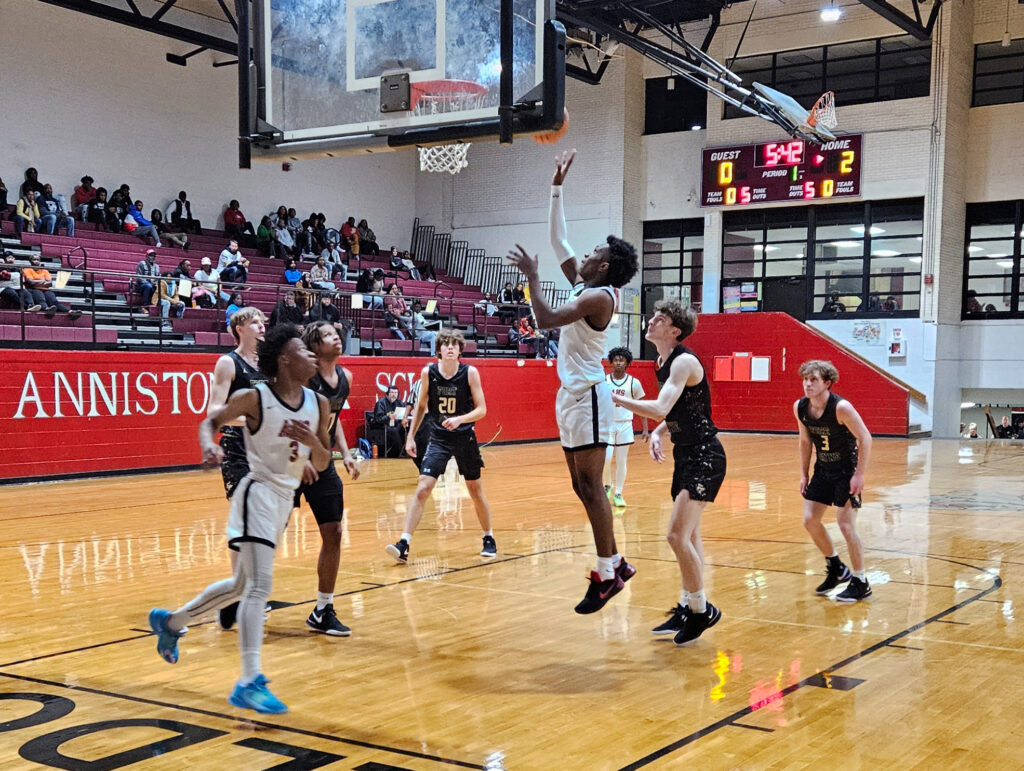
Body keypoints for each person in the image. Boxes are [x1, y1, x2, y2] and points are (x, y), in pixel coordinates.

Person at [148, 323, 330, 715]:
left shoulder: (319, 404)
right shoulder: (255, 398)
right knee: (260, 586)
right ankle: (249, 680)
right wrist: (207, 447)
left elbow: (323, 459)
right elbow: (210, 422)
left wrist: (312, 446)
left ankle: (171, 623)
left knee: (242, 584)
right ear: (284, 358)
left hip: (284, 498)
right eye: (304, 349)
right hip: (256, 493)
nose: (313, 355)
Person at [505, 150, 640, 615]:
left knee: (593, 486)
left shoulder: (599, 298)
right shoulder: (588, 285)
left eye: (594, 253)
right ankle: (616, 563)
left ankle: (606, 571)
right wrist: (556, 187)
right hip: (572, 397)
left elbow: (543, 319)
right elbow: (559, 237)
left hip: (589, 397)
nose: (584, 254)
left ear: (604, 267)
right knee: (582, 488)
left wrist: (533, 278)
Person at [612, 301, 727, 645]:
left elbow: (661, 405)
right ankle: (687, 603)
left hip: (705, 455)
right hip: (687, 453)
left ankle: (700, 610)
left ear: (675, 330)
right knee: (690, 537)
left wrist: (617, 398)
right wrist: (661, 432)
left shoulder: (685, 361)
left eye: (659, 319)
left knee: (676, 537)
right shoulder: (663, 363)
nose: (651, 321)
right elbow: (675, 409)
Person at [385, 329, 496, 563]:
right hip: (439, 438)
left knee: (475, 490)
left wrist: (460, 419)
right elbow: (421, 405)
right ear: (439, 349)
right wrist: (410, 437)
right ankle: (404, 542)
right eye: (446, 344)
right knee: (423, 487)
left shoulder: (470, 373)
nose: (450, 347)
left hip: (464, 437)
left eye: (454, 344)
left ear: (459, 350)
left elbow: (482, 409)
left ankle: (488, 537)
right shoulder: (429, 373)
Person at [293, 321, 360, 635]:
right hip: (291, 463)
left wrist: (345, 453)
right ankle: (243, 596)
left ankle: (323, 609)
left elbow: (334, 420)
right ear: (315, 347)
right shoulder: (304, 377)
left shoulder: (345, 377)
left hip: (323, 463)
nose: (338, 337)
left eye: (337, 333)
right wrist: (298, 457)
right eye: (329, 335)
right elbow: (287, 419)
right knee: (267, 537)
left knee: (333, 532)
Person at [207, 307, 268, 631]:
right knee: (246, 522)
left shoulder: (269, 364)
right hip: (238, 448)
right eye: (256, 322)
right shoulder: (228, 363)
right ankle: (240, 593)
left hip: (266, 452)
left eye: (263, 322)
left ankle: (241, 593)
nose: (262, 326)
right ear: (239, 327)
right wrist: (252, 419)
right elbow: (215, 411)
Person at [794, 360, 873, 603]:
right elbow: (805, 441)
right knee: (810, 520)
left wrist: (859, 474)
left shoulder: (841, 408)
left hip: (846, 472)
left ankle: (861, 581)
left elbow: (866, 438)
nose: (807, 384)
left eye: (814, 379)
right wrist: (804, 473)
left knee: (846, 525)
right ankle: (837, 567)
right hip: (823, 470)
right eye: (805, 379)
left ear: (827, 383)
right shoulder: (800, 407)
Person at [603, 346, 649, 508]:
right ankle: (607, 484)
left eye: (622, 360)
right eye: (615, 359)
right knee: (606, 458)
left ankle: (618, 493)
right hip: (607, 425)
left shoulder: (633, 383)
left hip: (625, 425)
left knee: (621, 461)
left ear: (627, 363)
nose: (618, 363)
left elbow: (641, 406)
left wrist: (645, 428)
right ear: (611, 362)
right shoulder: (604, 381)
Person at [372, 385, 408, 458]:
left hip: (397, 425)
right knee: (394, 431)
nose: (394, 395)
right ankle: (401, 452)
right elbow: (378, 419)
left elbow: (405, 414)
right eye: (392, 392)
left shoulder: (400, 403)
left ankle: (406, 451)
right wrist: (389, 417)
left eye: (396, 393)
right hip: (384, 426)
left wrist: (405, 418)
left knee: (408, 428)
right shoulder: (381, 403)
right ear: (387, 393)